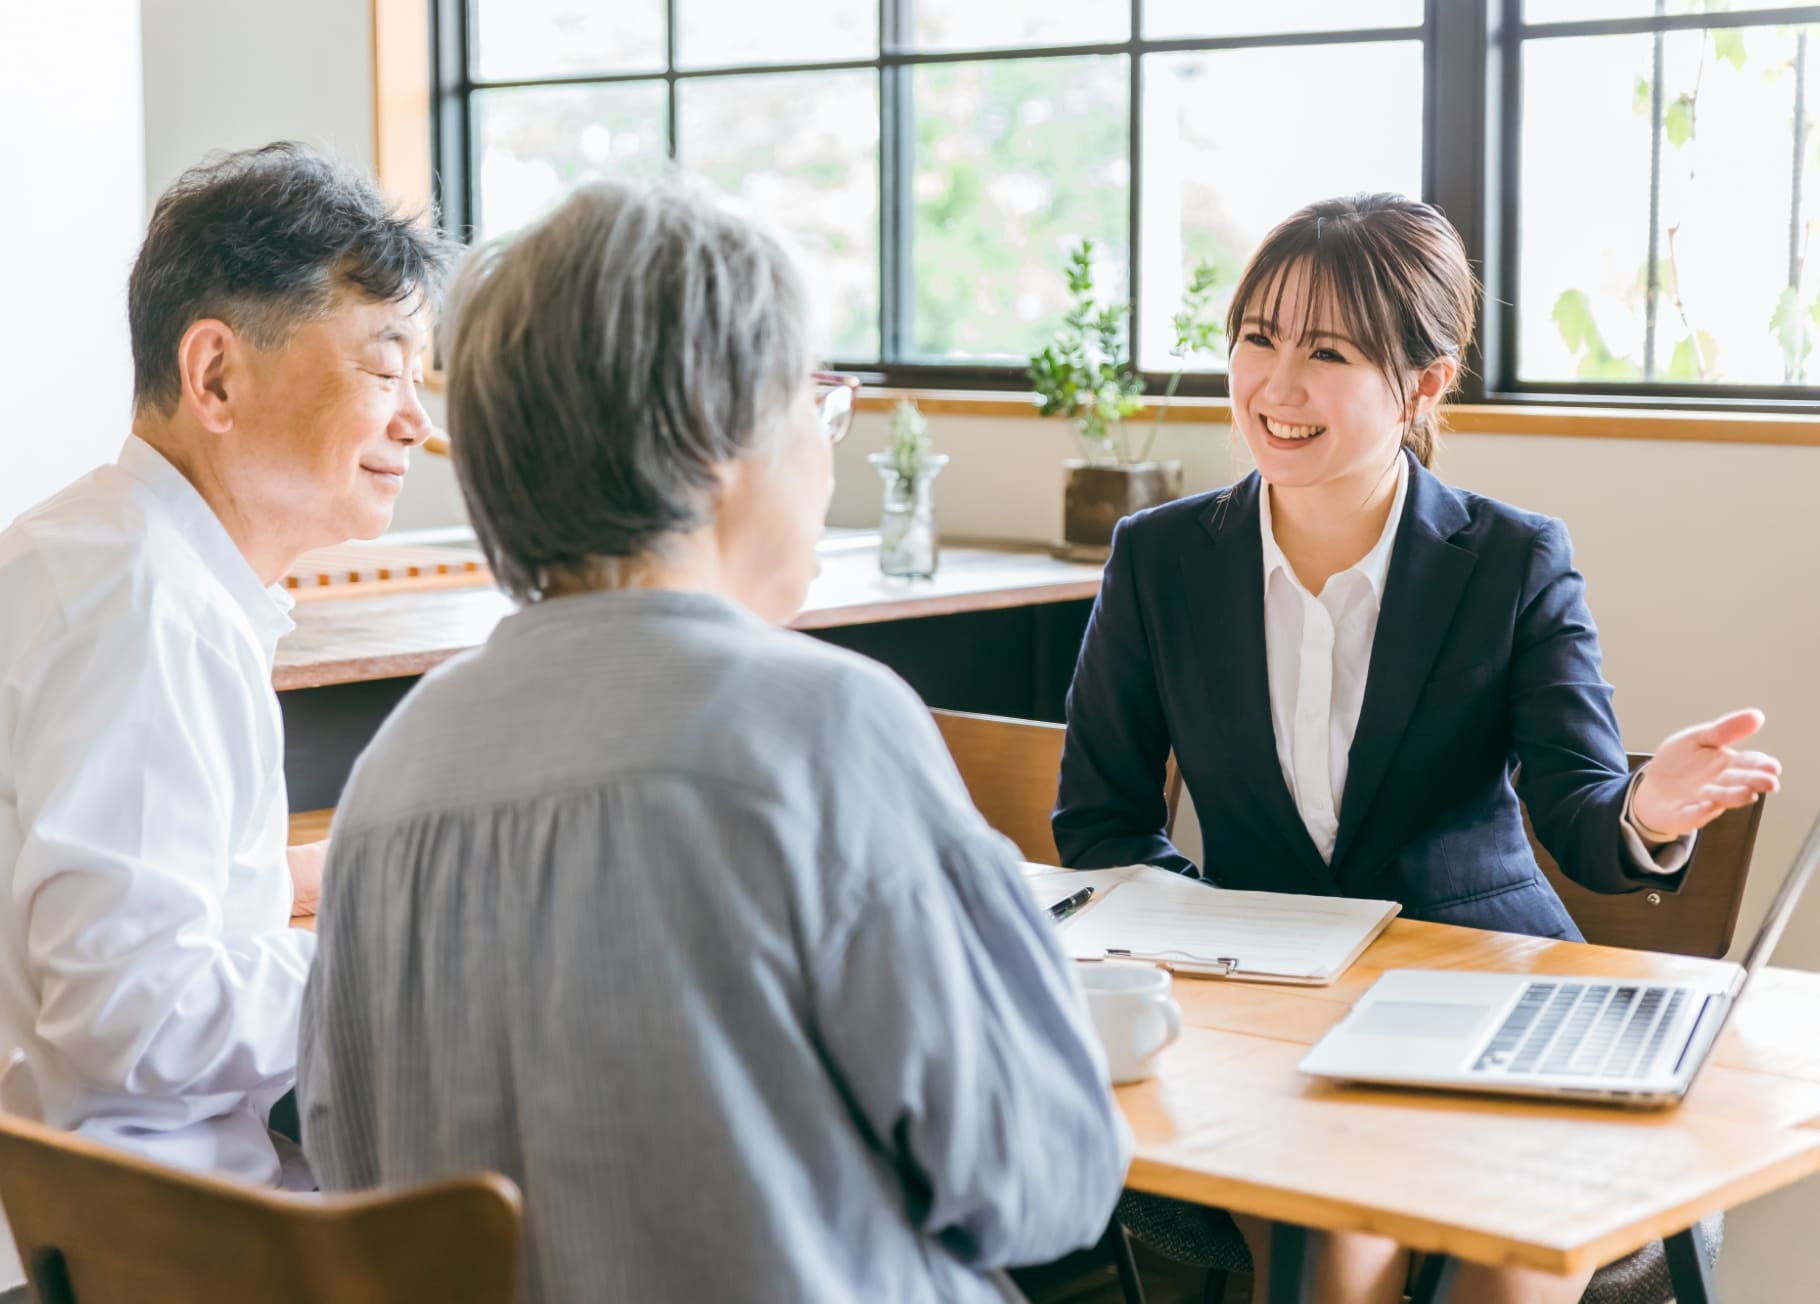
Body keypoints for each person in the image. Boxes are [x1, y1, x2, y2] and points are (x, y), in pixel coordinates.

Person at [296, 174, 1129, 1304]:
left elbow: (348, 1164)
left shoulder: (400, 766)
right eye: (814, 404)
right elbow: (1040, 1178)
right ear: (710, 434)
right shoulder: (823, 725)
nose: (826, 453)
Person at [1053, 194, 1780, 1304]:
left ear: (1425, 382)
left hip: (1483, 1001)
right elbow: (1100, 821)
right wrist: (1221, 937)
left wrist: (1647, 811)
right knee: (1328, 1234)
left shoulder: (1512, 559)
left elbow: (1581, 813)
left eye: (1328, 351)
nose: (1274, 386)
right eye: (1257, 338)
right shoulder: (1159, 559)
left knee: (1500, 1235)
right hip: (1265, 1020)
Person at [0, 142, 451, 1292]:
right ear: (216, 375)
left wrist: (310, 880)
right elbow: (132, 1011)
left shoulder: (93, 552)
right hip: (158, 1246)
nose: (418, 423)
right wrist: (398, 955)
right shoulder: (148, 612)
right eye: (386, 368)